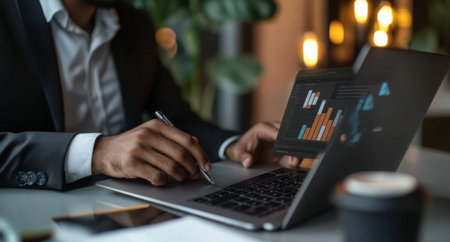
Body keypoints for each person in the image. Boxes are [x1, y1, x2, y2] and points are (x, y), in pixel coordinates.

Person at [0, 0, 299, 191]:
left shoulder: (135, 25)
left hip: (130, 214)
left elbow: (178, 119)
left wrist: (233, 145)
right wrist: (98, 153)